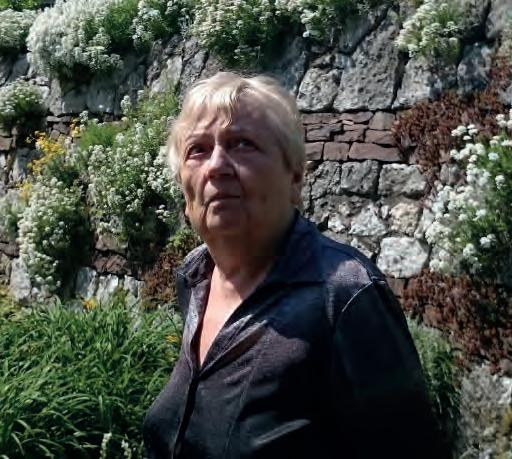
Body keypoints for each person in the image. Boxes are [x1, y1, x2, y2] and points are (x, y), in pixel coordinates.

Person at [142, 72, 445, 459]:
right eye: (197, 150)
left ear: (295, 177)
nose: (216, 166)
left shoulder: (344, 297)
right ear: (184, 190)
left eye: (242, 144)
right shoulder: (195, 278)